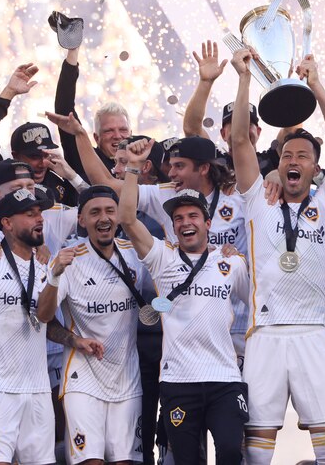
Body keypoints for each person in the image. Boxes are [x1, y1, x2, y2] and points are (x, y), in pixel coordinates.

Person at [229, 46, 325, 464]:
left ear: (316, 168)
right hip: (264, 334)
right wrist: (244, 78)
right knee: (257, 452)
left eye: (302, 156)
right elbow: (240, 139)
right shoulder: (259, 200)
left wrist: (315, 82)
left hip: (315, 334)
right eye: (286, 156)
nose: (294, 160)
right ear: (277, 164)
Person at [0, 189, 103, 465]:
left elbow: (47, 323)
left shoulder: (46, 268)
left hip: (39, 389)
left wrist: (75, 340)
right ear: (7, 223)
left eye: (40, 213)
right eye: (30, 214)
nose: (39, 219)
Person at [118, 138, 251, 465]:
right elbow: (127, 219)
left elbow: (257, 306)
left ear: (208, 223)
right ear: (173, 226)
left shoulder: (232, 263)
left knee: (233, 452)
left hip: (225, 379)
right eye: (178, 218)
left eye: (193, 216)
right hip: (179, 381)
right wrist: (133, 168)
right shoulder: (161, 257)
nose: (186, 222)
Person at [35, 185, 150, 465]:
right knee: (91, 462)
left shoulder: (136, 254)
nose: (104, 218)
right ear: (81, 220)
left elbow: (161, 296)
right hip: (82, 379)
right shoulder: (68, 259)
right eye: (95, 212)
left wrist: (162, 309)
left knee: (125, 461)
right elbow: (43, 317)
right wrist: (54, 275)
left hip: (127, 377)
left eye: (110, 211)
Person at [0, 62, 82, 206]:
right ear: (15, 155)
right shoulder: (0, 177)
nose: (42, 163)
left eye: (46, 155)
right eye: (34, 156)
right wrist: (9, 92)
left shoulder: (60, 182)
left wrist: (73, 178)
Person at [181, 40, 280, 176]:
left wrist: (272, 75)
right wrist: (205, 82)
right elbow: (191, 129)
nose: (241, 128)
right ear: (223, 134)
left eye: (248, 123)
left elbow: (293, 122)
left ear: (258, 131)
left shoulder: (272, 160)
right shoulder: (216, 163)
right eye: (233, 124)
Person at [53, 42, 132, 177]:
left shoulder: (143, 166)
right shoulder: (86, 159)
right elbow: (64, 107)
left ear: (131, 133)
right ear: (97, 138)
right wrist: (73, 52)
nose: (118, 136)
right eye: (109, 131)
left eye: (123, 130)